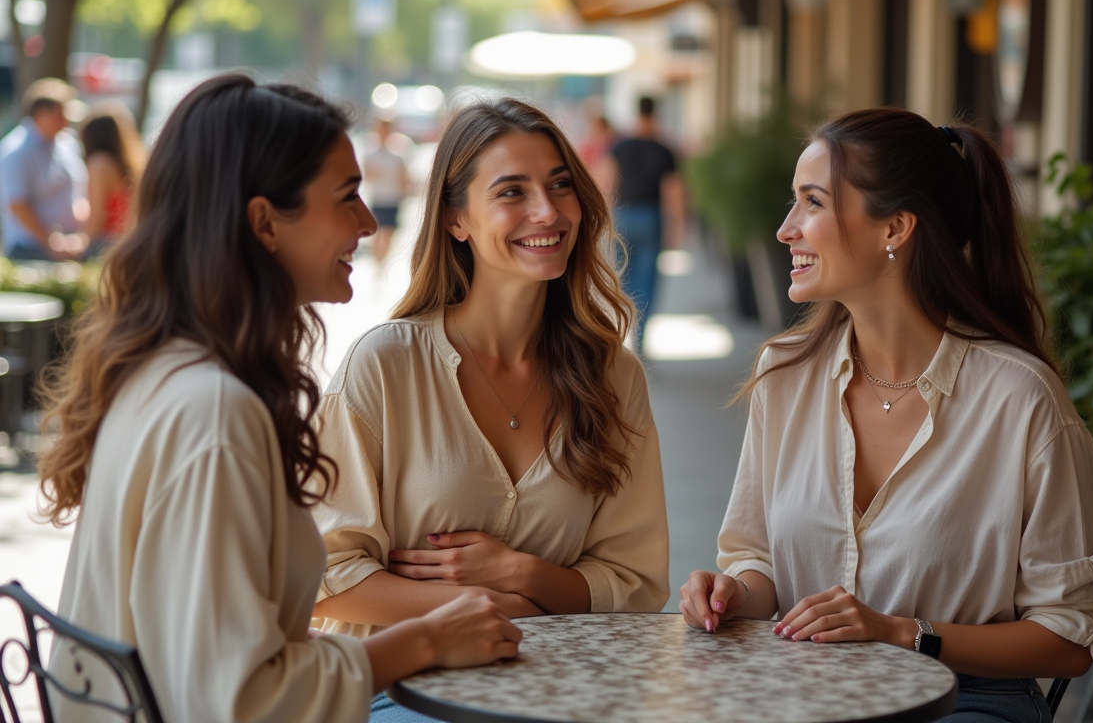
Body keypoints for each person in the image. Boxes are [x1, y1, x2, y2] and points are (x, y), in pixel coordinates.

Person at [38, 75, 522, 723]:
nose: (368, 222)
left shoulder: (164, 374)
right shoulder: (215, 413)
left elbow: (196, 644)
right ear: (265, 222)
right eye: (346, 196)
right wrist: (427, 640)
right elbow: (240, 700)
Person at [677, 109, 1093, 721]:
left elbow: (1068, 639)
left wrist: (902, 632)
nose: (785, 229)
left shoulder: (1022, 400)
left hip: (965, 700)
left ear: (895, 227)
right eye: (793, 202)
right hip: (809, 694)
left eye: (812, 203)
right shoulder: (784, 375)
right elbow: (758, 562)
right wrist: (730, 594)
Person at [310, 97, 670, 720]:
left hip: (557, 694)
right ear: (457, 220)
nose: (547, 211)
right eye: (511, 191)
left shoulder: (614, 376)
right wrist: (493, 609)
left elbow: (634, 583)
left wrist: (523, 575)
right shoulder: (386, 364)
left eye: (560, 185)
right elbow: (327, 574)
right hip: (400, 694)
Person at [602, 96, 685, 351]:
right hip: (651, 217)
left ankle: (620, 335)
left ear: (636, 112)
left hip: (622, 217)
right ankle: (639, 341)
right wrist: (676, 227)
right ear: (655, 114)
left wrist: (604, 219)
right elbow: (673, 193)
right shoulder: (664, 150)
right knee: (646, 282)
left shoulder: (619, 146)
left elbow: (607, 184)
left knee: (620, 279)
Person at [0, 78, 87, 260]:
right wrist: (51, 242)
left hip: (70, 243)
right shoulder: (17, 150)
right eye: (60, 115)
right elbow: (18, 205)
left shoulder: (67, 143)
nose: (66, 122)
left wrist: (81, 236)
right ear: (41, 114)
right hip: (30, 249)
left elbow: (79, 192)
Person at [80, 101, 144, 253]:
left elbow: (97, 220)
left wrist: (80, 243)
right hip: (129, 241)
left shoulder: (99, 163)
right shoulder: (133, 165)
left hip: (107, 244)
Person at [361, 116, 411, 267]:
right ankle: (378, 260)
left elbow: (404, 178)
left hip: (394, 198)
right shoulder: (370, 153)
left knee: (389, 231)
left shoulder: (398, 155)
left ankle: (382, 260)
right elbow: (367, 175)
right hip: (378, 197)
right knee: (377, 231)